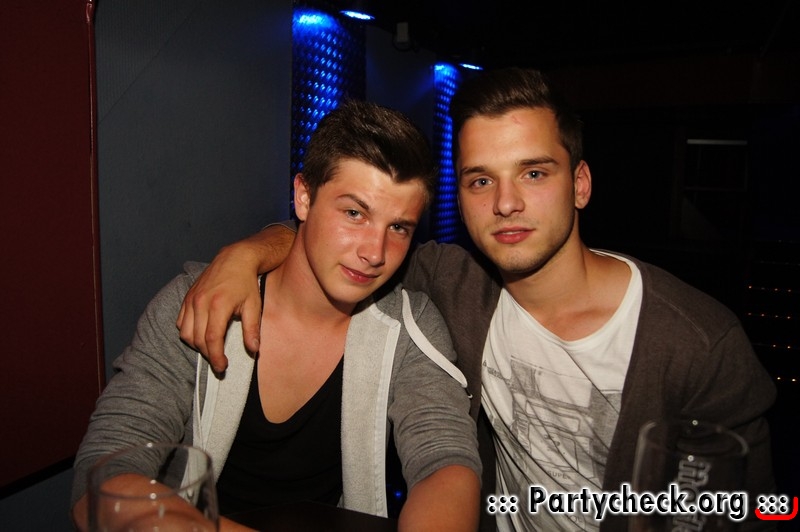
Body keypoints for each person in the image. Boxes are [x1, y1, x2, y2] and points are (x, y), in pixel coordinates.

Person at [176, 69, 777, 531]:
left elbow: (744, 512)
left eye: (534, 173)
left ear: (581, 184)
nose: (506, 203)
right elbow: (339, 242)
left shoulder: (696, 343)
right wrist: (247, 253)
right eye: (481, 180)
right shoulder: (452, 283)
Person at [71, 100, 482, 532]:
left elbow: (444, 462)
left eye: (398, 227)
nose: (375, 252)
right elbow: (103, 476)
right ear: (303, 196)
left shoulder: (411, 328)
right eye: (354, 213)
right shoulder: (200, 302)